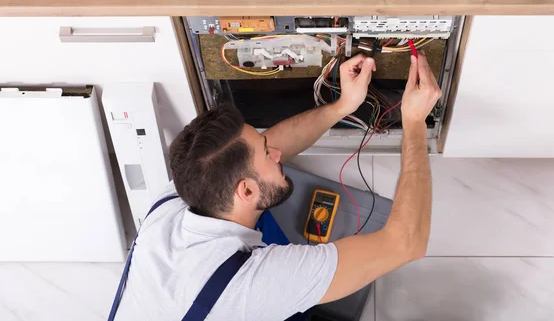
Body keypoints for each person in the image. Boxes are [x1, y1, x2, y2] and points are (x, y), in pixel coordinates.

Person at [111, 52, 442, 321]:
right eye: (267, 154)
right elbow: (406, 243)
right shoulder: (253, 285)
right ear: (246, 191)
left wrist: (343, 106)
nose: (280, 152)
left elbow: (277, 143)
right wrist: (413, 122)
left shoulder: (175, 200)